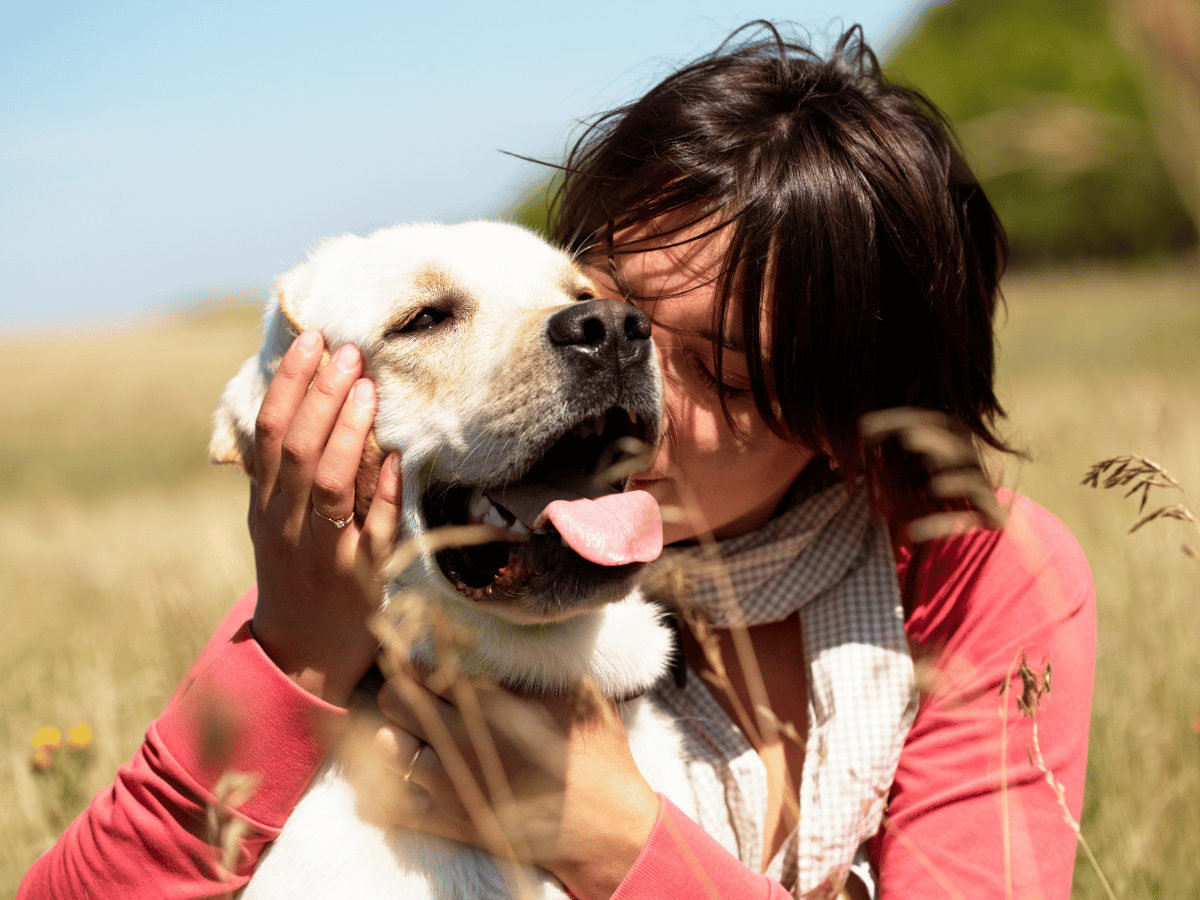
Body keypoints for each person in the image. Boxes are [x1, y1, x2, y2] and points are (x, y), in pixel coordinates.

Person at [19, 22, 1094, 900]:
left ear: (853, 421)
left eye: (722, 378)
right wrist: (295, 652)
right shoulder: (403, 570)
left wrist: (609, 833)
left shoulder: (968, 573)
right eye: (599, 319)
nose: (631, 400)